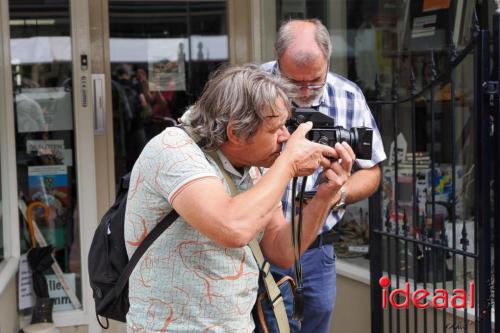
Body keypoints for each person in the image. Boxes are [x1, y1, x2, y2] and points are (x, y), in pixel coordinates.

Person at [124, 64, 355, 332]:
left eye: (286, 125)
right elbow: (232, 227)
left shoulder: (254, 164)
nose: (286, 137)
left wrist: (326, 195)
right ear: (235, 132)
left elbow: (282, 251)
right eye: (276, 129)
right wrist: (289, 163)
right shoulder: (173, 151)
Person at [262, 19, 387, 333]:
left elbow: (371, 172)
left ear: (328, 61)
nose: (305, 92)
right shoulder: (252, 89)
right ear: (278, 62)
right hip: (257, 248)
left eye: (315, 81)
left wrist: (336, 193)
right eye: (294, 83)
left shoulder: (347, 95)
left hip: (317, 249)